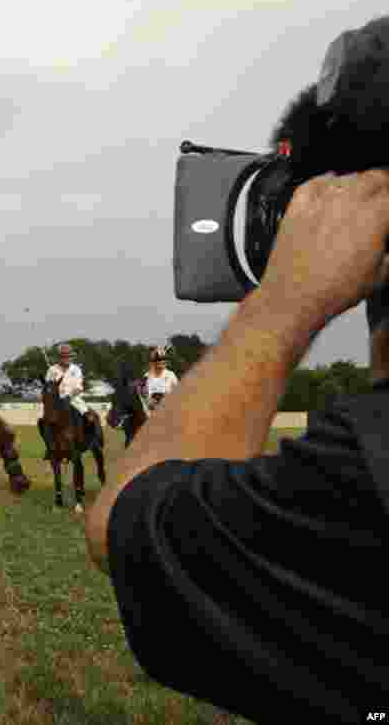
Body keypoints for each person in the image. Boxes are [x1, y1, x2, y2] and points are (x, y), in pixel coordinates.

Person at [85, 165, 389, 720]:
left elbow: (117, 525)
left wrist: (283, 301)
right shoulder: (146, 378)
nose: (155, 363)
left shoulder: (366, 460)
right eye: (153, 360)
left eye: (157, 360)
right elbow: (144, 395)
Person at [44, 344, 103, 451]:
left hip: (74, 399)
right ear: (59, 357)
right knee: (44, 420)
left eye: (68, 356)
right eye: (64, 356)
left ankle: (93, 440)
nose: (66, 358)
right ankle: (50, 447)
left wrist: (69, 396)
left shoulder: (76, 369)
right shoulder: (52, 370)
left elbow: (79, 387)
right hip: (56, 400)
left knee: (89, 417)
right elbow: (48, 387)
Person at [142, 345, 178, 412]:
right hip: (151, 412)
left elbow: (178, 392)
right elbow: (144, 394)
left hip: (168, 410)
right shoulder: (146, 376)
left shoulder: (171, 375)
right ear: (154, 361)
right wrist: (149, 401)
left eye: (164, 359)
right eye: (159, 359)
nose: (162, 361)